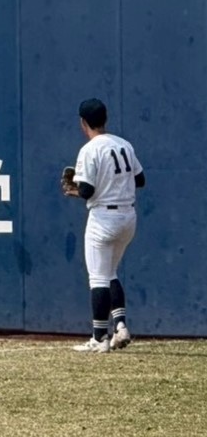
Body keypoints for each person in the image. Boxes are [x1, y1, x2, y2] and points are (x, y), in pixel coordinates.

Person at [67, 98, 144, 353]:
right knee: (110, 273)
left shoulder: (90, 149)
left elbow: (87, 191)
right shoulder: (124, 144)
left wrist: (74, 189)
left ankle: (99, 337)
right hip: (128, 218)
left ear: (83, 122)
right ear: (105, 119)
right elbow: (140, 179)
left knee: (98, 278)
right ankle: (120, 326)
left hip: (103, 217)